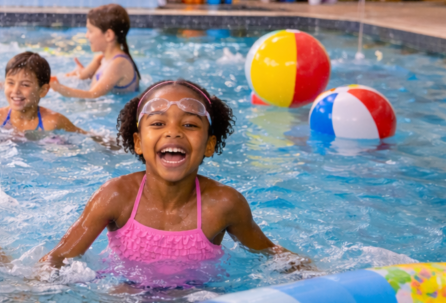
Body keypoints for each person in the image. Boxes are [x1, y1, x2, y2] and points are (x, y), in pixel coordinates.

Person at [42, 79, 302, 269]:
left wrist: (312, 273)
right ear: (138, 142)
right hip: (127, 297)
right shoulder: (116, 196)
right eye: (157, 123)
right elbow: (58, 257)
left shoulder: (224, 205)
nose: (173, 132)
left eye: (189, 124)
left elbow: (271, 254)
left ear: (209, 145)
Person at [50, 4, 140, 98]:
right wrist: (78, 73)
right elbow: (81, 77)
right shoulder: (101, 59)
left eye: (90, 31)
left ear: (108, 35)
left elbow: (93, 95)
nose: (87, 35)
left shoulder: (119, 63)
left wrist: (58, 88)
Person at [0, 52, 82, 134]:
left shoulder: (52, 122)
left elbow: (86, 137)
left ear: (43, 90)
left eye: (25, 85)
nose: (15, 90)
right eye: (11, 83)